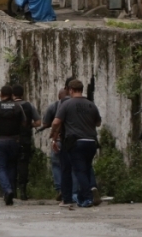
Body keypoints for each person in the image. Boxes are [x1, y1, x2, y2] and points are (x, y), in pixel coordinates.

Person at [51, 79, 101, 208]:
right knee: (87, 168)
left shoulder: (66, 104)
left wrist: (53, 135)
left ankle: (87, 198)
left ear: (71, 90)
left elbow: (56, 122)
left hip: (76, 142)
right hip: (91, 142)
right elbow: (98, 123)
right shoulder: (91, 105)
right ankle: (86, 193)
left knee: (79, 171)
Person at [0, 85, 29, 205]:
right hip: (14, 141)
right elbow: (24, 123)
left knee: (0, 168)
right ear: (12, 95)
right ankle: (11, 192)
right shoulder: (18, 107)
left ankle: (7, 190)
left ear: (1, 95)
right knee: (11, 167)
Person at [11, 85, 40, 200]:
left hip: (12, 138)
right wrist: (29, 125)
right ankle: (23, 191)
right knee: (23, 164)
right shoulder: (29, 106)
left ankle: (12, 190)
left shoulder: (10, 106)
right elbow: (38, 122)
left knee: (11, 164)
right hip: (25, 139)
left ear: (13, 95)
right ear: (23, 94)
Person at [42, 88, 69, 201]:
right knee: (71, 165)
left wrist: (53, 133)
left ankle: (60, 189)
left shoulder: (54, 106)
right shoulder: (74, 105)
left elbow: (46, 122)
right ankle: (73, 190)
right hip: (72, 140)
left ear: (59, 97)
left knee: (56, 164)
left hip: (58, 139)